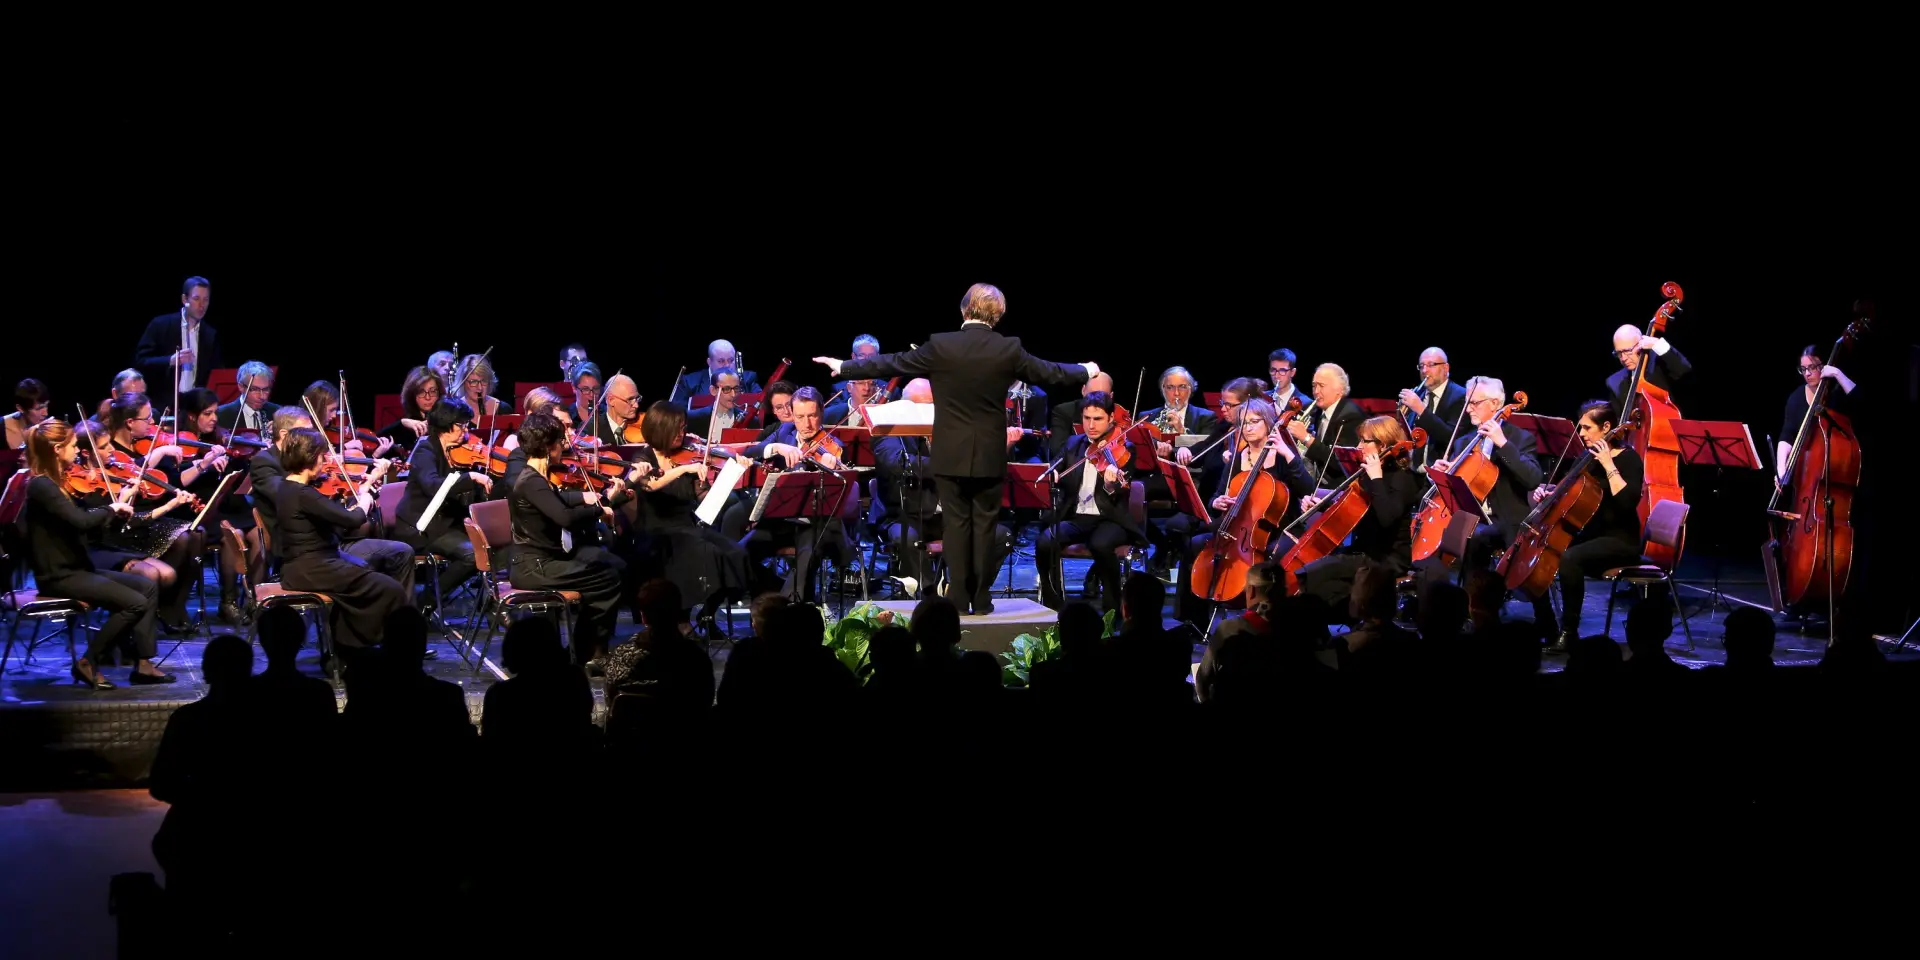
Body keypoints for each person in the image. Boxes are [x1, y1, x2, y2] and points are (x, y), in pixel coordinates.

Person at [816, 282, 1095, 615]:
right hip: (990, 454)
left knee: (957, 525)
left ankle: (959, 599)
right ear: (998, 315)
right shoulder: (1008, 348)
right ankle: (981, 599)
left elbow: (893, 363)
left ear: (964, 310)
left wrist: (844, 367)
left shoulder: (942, 345)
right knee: (985, 526)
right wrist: (1086, 370)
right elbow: (1051, 372)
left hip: (949, 456)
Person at [21, 419, 169, 688]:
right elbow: (80, 521)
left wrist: (117, 509)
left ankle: (144, 664)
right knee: (135, 603)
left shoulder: (57, 482)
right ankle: (88, 661)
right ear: (57, 450)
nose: (77, 451)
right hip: (59, 575)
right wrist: (110, 509)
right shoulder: (41, 485)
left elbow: (86, 526)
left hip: (78, 568)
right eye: (73, 446)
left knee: (146, 587)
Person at [507, 412, 631, 666]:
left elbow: (560, 502)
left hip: (545, 560)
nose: (563, 446)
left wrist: (598, 500)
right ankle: (588, 651)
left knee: (611, 565)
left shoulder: (537, 477)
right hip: (534, 566)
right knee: (607, 577)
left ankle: (587, 649)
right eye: (559, 441)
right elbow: (564, 517)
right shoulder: (531, 481)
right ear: (548, 446)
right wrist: (599, 509)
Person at [1520, 401, 1645, 652]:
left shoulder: (1628, 459)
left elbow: (1627, 502)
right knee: (1540, 551)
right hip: (1591, 533)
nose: (1582, 433)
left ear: (1606, 427)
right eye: (1581, 428)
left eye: (1587, 428)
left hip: (1620, 540)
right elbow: (1573, 492)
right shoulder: (1587, 457)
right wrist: (1550, 493)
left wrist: (1608, 464)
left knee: (1570, 558)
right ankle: (1545, 621)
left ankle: (1569, 632)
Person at [1177, 397, 1314, 622]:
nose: (1247, 428)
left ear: (1268, 423)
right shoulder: (1238, 458)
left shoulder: (1282, 457)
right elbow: (1216, 496)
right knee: (1195, 543)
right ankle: (1192, 619)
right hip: (1239, 526)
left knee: (1273, 553)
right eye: (1243, 423)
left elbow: (1308, 489)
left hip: (1279, 526)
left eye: (1254, 422)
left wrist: (1288, 453)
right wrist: (1217, 502)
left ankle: (1270, 617)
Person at [873, 378, 1011, 598]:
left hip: (950, 516)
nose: (931, 411)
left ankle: (966, 590)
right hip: (906, 516)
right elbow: (899, 463)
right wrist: (952, 464)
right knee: (907, 539)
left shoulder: (953, 430)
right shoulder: (888, 432)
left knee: (1001, 535)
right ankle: (930, 597)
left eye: (934, 404)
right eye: (924, 405)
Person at [274, 427, 409, 650]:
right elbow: (354, 520)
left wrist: (362, 493)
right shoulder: (302, 494)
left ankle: (346, 649)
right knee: (391, 589)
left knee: (364, 567)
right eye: (322, 455)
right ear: (309, 457)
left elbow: (335, 518)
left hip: (308, 565)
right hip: (312, 568)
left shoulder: (288, 487)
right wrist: (365, 495)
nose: (325, 460)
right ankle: (386, 647)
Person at [1413, 376, 1544, 590]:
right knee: (1433, 531)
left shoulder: (1520, 438)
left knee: (1475, 536)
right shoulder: (1464, 441)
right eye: (1467, 403)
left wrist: (1502, 443)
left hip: (1504, 519)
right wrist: (1441, 474)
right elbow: (1456, 488)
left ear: (1495, 404)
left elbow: (1533, 479)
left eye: (1474, 403)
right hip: (1470, 517)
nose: (1468, 409)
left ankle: (1474, 600)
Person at [1290, 416, 1423, 620]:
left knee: (1313, 575)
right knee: (1313, 579)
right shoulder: (1368, 473)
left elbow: (1387, 519)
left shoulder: (1403, 478)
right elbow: (1353, 507)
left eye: (1364, 441)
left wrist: (1376, 478)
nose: (1358, 446)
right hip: (1362, 551)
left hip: (1387, 559)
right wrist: (1320, 505)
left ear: (1382, 445)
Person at [1035, 392, 1143, 612]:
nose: (1091, 425)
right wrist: (1052, 475)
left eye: (1098, 419)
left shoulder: (1126, 447)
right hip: (1077, 517)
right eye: (1087, 418)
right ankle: (1053, 603)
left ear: (1111, 418)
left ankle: (1112, 609)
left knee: (1100, 545)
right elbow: (1054, 466)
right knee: (1045, 541)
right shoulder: (1074, 443)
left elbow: (1120, 490)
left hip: (1110, 518)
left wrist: (1110, 484)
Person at [178, 388, 262, 625]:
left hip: (227, 503)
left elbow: (236, 475)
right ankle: (228, 602)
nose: (215, 418)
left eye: (215, 412)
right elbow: (180, 478)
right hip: (200, 508)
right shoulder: (181, 443)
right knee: (231, 535)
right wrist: (204, 463)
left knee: (260, 532)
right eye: (208, 413)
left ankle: (256, 599)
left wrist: (235, 460)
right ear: (192, 415)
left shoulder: (219, 438)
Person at [393, 400, 486, 603]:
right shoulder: (425, 450)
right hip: (420, 527)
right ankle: (426, 602)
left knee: (490, 545)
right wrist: (469, 477)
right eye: (462, 425)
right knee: (473, 555)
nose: (466, 431)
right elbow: (432, 485)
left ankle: (488, 606)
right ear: (446, 424)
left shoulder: (457, 450)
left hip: (447, 523)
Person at [133, 276, 221, 395]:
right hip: (163, 401)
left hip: (195, 402)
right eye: (196, 299)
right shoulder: (160, 325)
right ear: (184, 299)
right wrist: (170, 360)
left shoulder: (210, 334)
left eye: (206, 299)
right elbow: (140, 362)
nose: (202, 305)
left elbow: (216, 372)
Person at [1398, 346, 1467, 472]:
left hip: (1438, 472)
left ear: (1446, 368)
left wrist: (1421, 409)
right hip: (1411, 470)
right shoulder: (1418, 394)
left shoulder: (1461, 396)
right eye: (1421, 366)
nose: (1425, 370)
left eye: (1431, 365)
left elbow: (1451, 438)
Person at [1288, 362, 1366, 470]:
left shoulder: (1351, 416)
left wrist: (1306, 438)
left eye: (1321, 386)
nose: (1316, 391)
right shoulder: (1319, 411)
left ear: (1339, 389)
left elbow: (1340, 463)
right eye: (1314, 385)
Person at [1607, 321, 1691, 414]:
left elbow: (1684, 369)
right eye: (1618, 353)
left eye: (1627, 351)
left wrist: (1658, 344)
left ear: (1640, 344)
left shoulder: (1659, 364)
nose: (1623, 358)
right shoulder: (1614, 382)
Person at [1047, 370, 1112, 461]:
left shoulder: (1116, 414)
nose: (1095, 402)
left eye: (1102, 397)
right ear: (1083, 390)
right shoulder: (1063, 411)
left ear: (1111, 396)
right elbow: (1057, 450)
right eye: (1091, 395)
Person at [378, 365, 443, 451]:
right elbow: (376, 437)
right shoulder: (406, 426)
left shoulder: (445, 422)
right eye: (421, 392)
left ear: (439, 393)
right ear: (412, 395)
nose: (427, 397)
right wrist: (402, 422)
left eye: (433, 391)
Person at [214, 360, 279, 436]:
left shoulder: (278, 412)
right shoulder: (221, 415)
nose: (262, 396)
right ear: (241, 387)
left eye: (266, 389)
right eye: (255, 389)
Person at [679, 339, 760, 399]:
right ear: (709, 362)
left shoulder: (748, 379)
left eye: (731, 360)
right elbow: (679, 413)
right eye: (721, 361)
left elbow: (761, 404)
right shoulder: (689, 382)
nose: (727, 365)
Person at [4, 377, 50, 449]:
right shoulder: (2, 429)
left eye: (46, 406)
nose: (46, 413)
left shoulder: (50, 427)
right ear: (20, 408)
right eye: (39, 408)